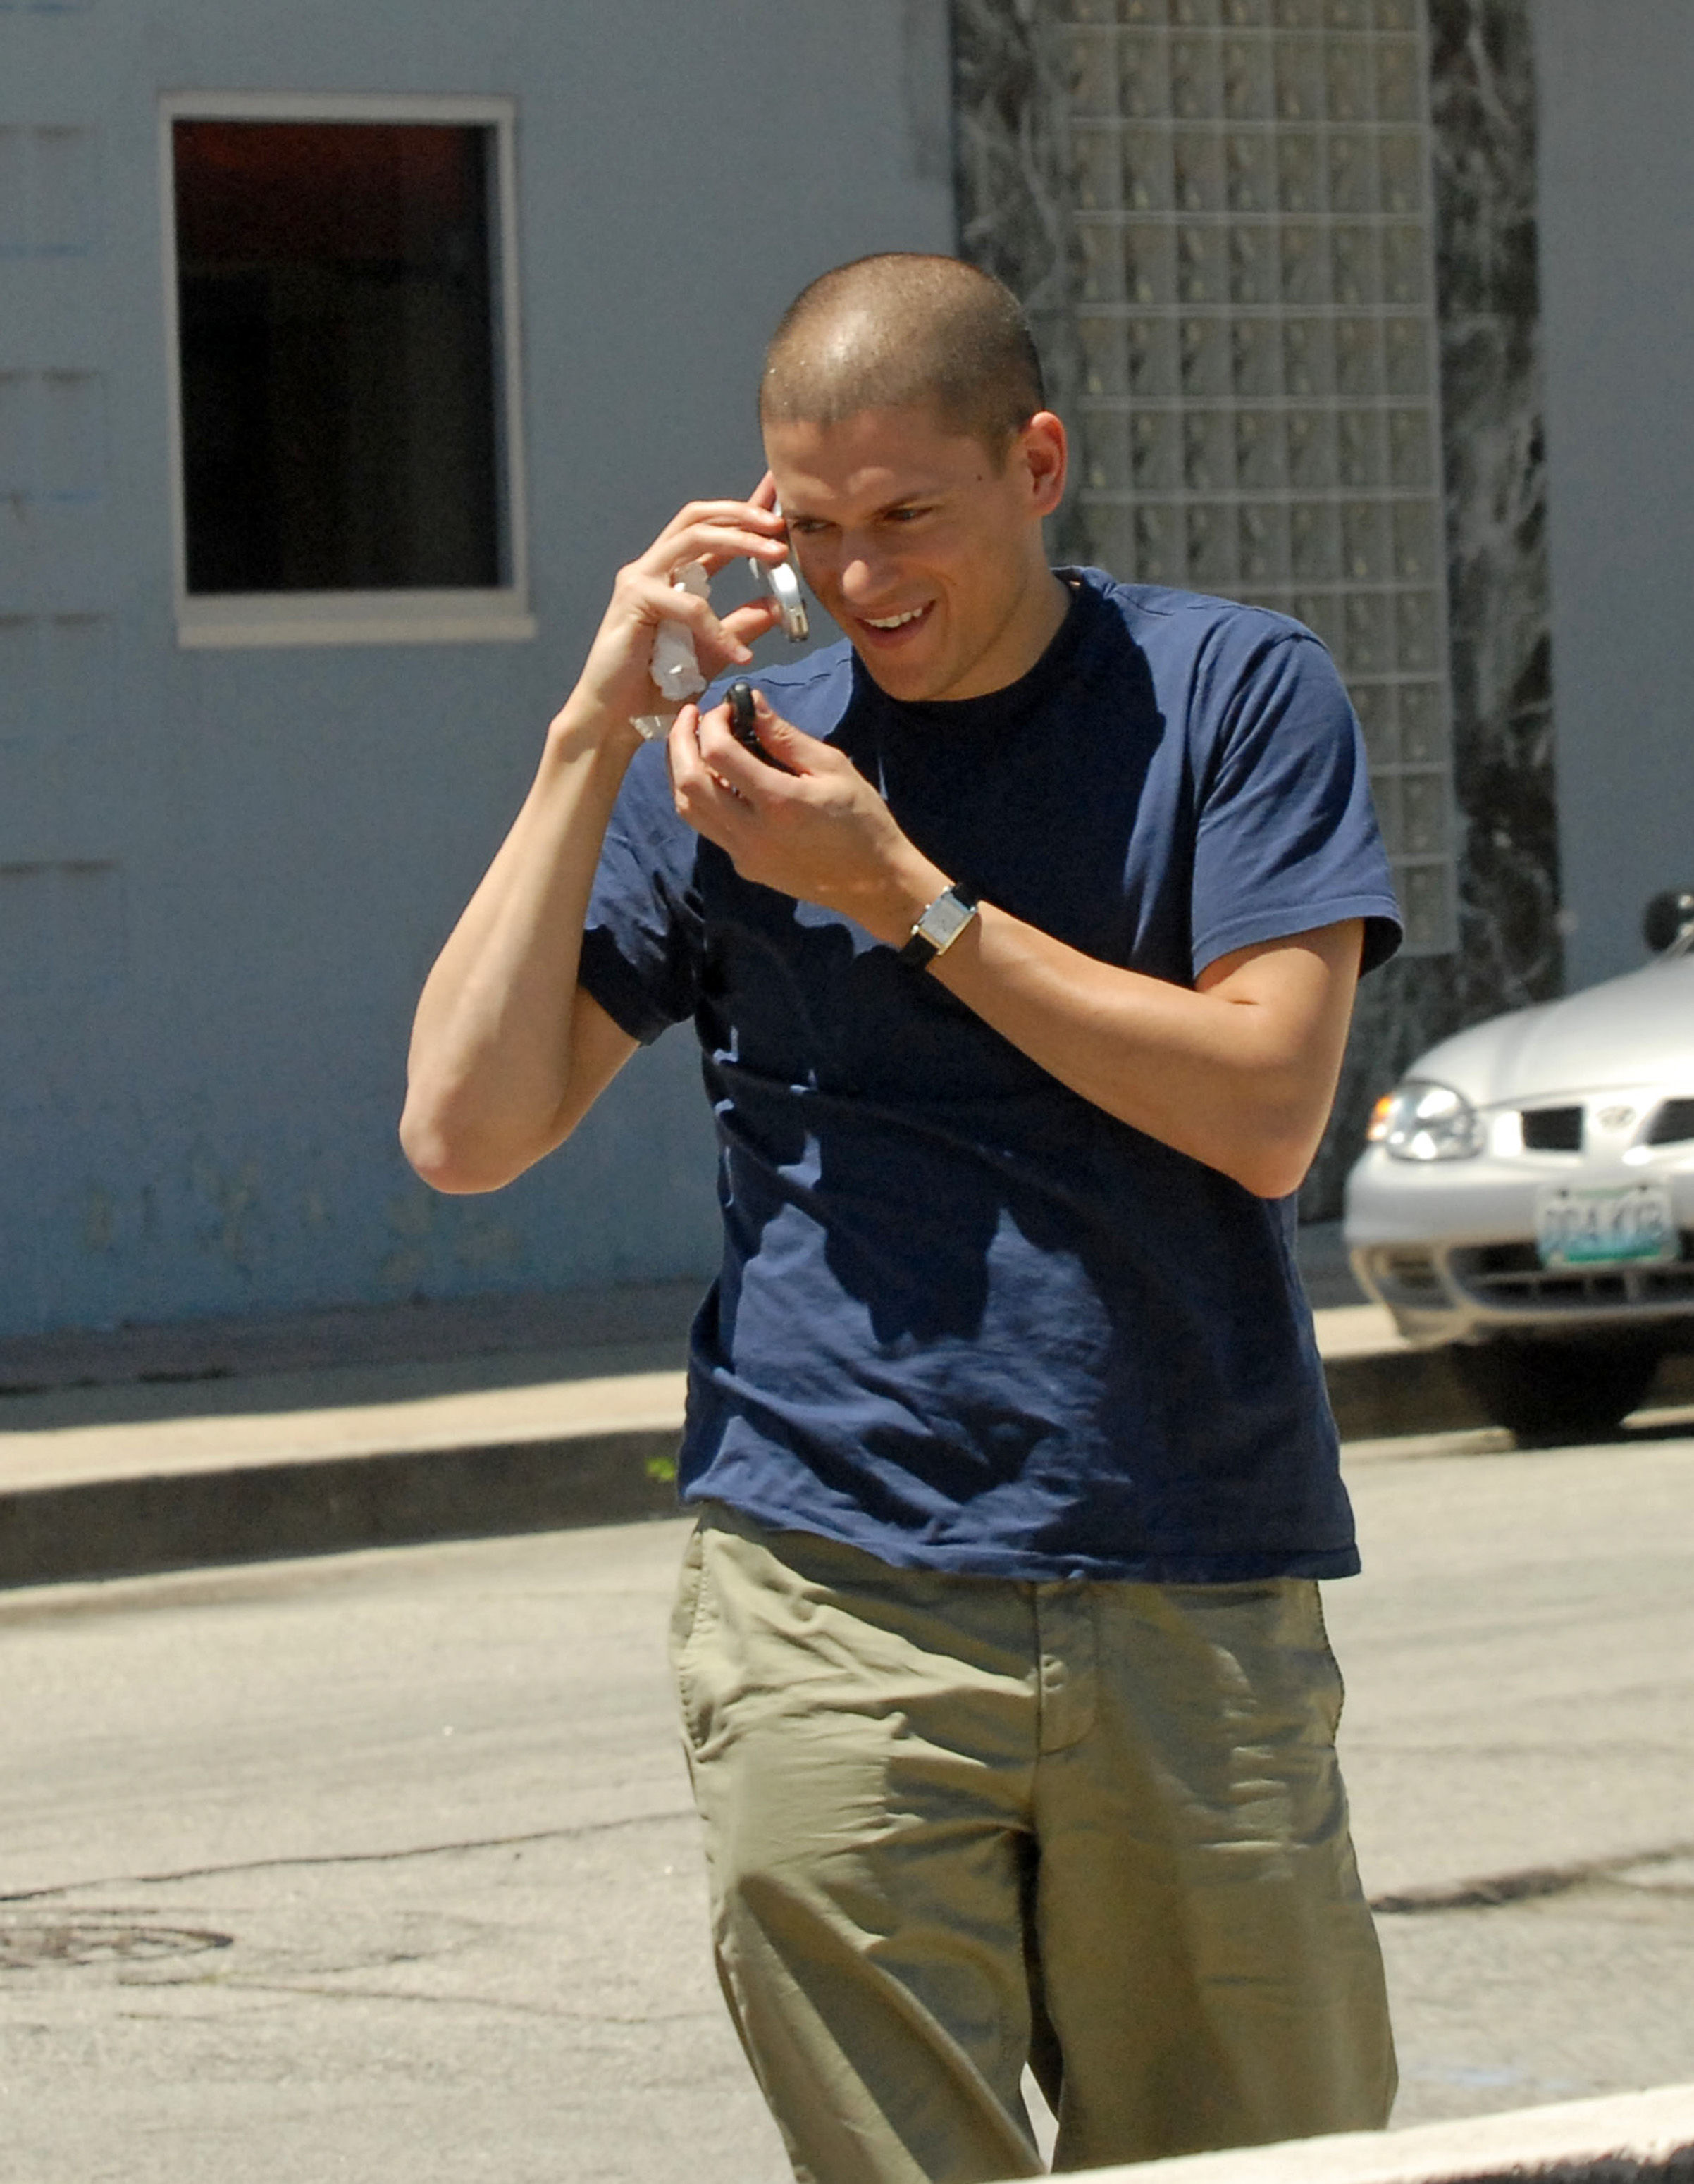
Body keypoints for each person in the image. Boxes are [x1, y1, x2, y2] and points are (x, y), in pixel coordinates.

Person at [402, 252, 1401, 2184]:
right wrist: (586, 737)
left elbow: (1267, 1110)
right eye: (808, 524)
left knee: (1261, 2161)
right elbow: (462, 1124)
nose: (856, 579)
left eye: (904, 517)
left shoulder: (1229, 693)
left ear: (1034, 461)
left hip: (1180, 1561)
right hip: (824, 1571)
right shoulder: (734, 762)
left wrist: (904, 899)